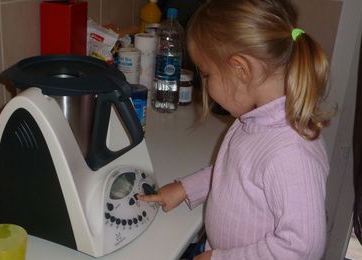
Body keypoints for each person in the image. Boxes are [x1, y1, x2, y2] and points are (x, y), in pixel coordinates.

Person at [139, 0, 332, 259]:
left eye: (207, 74)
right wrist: (186, 188)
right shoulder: (253, 121)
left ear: (240, 69)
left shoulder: (291, 152)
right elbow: (233, 172)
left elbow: (301, 248)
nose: (205, 84)